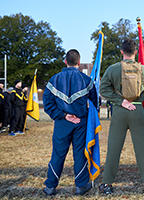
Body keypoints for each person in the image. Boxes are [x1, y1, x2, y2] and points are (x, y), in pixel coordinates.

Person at [99, 39, 144, 194]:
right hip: (137, 110)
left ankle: (107, 184)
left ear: (122, 52)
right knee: (142, 148)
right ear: (135, 52)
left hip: (119, 111)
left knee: (114, 148)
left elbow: (103, 89)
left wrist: (120, 101)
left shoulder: (112, 69)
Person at [43, 49, 97, 196]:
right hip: (81, 122)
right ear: (79, 63)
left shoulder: (54, 80)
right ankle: (80, 186)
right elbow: (94, 105)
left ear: (65, 62)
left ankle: (50, 186)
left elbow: (47, 104)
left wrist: (64, 115)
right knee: (79, 153)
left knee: (58, 154)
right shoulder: (87, 81)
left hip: (61, 123)